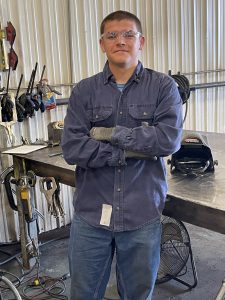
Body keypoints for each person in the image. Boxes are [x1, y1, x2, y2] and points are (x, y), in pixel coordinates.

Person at [62, 10, 183, 300]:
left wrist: (108, 134)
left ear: (142, 41)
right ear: (102, 43)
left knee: (138, 295)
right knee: (83, 294)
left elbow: (168, 140)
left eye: (129, 34)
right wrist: (133, 149)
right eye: (112, 35)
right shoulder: (84, 91)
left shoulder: (163, 87)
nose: (121, 41)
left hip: (142, 214)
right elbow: (72, 147)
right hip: (92, 216)